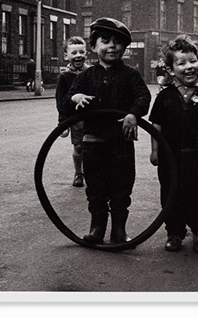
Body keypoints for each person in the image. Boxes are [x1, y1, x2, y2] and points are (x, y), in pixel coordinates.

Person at [63, 18, 151, 245]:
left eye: (118, 42)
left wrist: (133, 114)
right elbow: (68, 98)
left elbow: (143, 97)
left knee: (121, 188)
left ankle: (119, 231)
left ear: (124, 47)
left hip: (120, 143)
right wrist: (76, 97)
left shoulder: (131, 75)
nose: (112, 46)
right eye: (105, 41)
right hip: (93, 142)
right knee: (96, 188)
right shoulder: (85, 76)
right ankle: (97, 228)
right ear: (94, 47)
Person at [149, 35, 198, 254]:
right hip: (169, 158)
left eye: (192, 61)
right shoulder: (164, 98)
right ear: (171, 70)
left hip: (196, 157)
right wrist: (154, 151)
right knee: (171, 195)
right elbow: (156, 126)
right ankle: (174, 233)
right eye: (181, 63)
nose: (189, 67)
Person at [55, 36, 89, 187]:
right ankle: (78, 172)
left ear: (86, 53)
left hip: (92, 116)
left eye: (81, 51)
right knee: (79, 146)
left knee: (93, 146)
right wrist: (63, 122)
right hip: (76, 118)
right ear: (66, 56)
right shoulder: (65, 76)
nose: (78, 55)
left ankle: (92, 173)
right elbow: (61, 101)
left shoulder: (91, 72)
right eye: (74, 53)